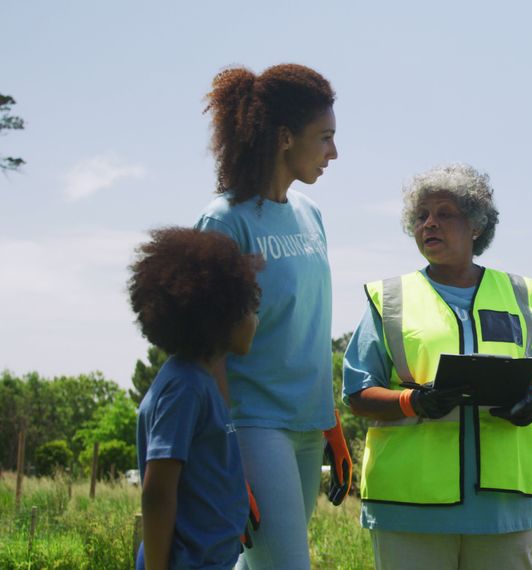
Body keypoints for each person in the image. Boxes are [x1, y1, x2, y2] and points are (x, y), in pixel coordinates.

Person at [344, 163, 532, 570]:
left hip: (505, 506)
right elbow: (357, 394)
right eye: (422, 215)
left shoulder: (518, 294)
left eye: (444, 213)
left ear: (477, 225)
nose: (429, 224)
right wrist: (413, 401)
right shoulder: (389, 299)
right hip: (409, 505)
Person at [195, 63, 342, 569]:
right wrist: (224, 452)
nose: (333, 153)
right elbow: (204, 348)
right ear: (284, 137)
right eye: (324, 138)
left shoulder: (311, 214)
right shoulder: (224, 220)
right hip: (255, 427)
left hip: (308, 425)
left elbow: (310, 324)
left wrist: (332, 421)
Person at [128, 227, 263, 570]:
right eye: (250, 309)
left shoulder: (198, 382)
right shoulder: (184, 388)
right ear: (221, 316)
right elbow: (157, 492)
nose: (256, 320)